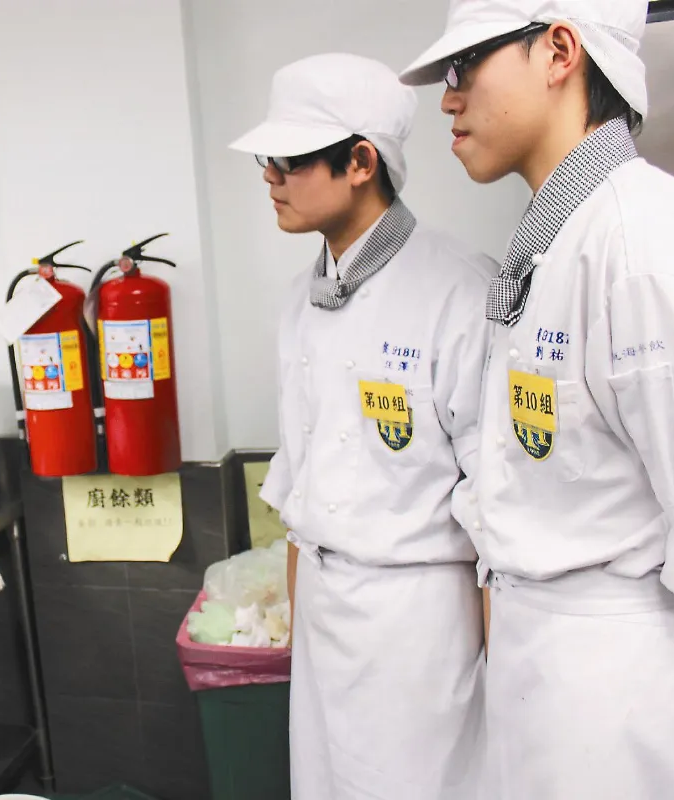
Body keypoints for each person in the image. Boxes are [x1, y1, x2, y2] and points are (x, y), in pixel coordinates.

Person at [401, 1, 674, 797]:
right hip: (551, 672)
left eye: (465, 67)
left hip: (632, 689)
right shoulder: (559, 238)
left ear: (560, 51)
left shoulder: (642, 237)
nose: (448, 98)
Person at [231, 53, 496, 799]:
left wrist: (498, 668)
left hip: (417, 627)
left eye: (288, 159)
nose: (270, 177)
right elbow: (297, 489)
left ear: (359, 161)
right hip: (322, 614)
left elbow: (496, 512)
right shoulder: (297, 303)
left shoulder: (457, 292)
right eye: (266, 158)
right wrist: (295, 627)